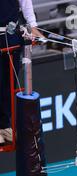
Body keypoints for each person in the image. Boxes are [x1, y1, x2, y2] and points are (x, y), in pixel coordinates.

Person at [0, 0, 44, 145]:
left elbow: (25, 2)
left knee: (8, 83)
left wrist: (32, 25)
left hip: (11, 35)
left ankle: (5, 126)